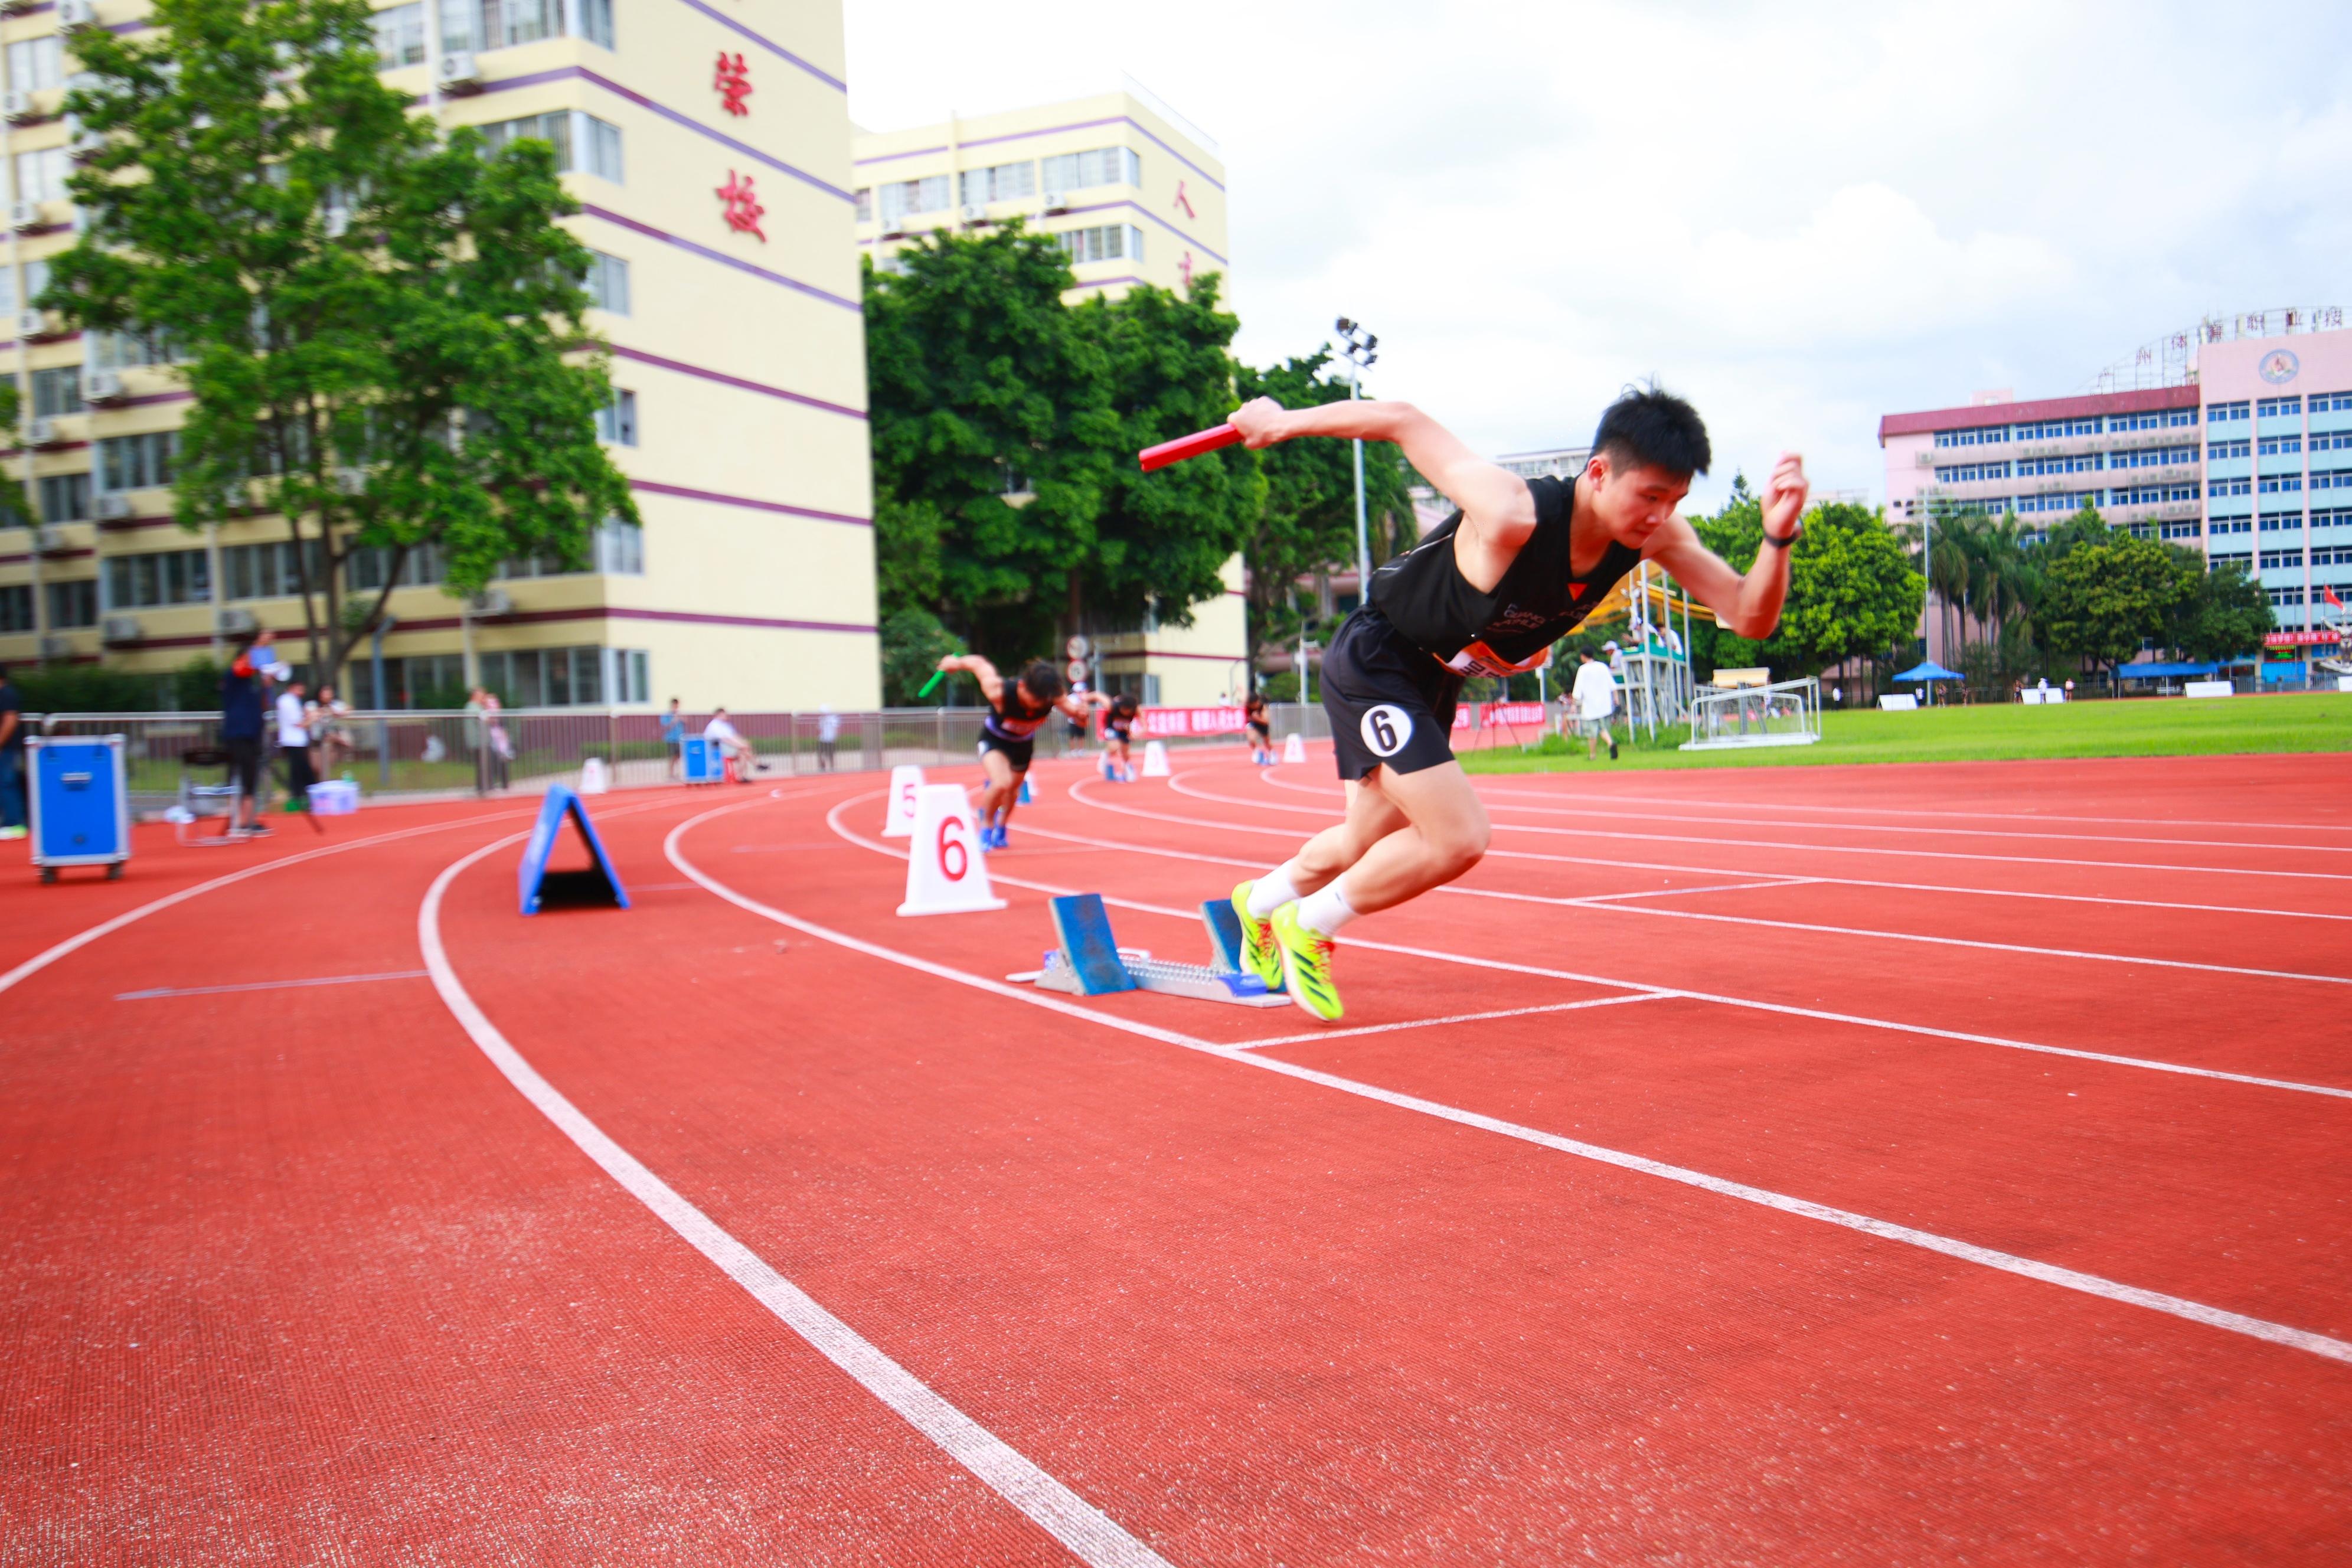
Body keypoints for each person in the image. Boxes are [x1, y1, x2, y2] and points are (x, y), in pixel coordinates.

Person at [1222, 385, 1808, 1021]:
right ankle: (1309, 923)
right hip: (1378, 658)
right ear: (1599, 471)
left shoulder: (1655, 538)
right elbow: (1401, 419)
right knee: (1459, 836)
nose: (1659, 516)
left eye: (1674, 501)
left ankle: (1255, 904)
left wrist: (1776, 539)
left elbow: (1750, 615)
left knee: (1363, 837)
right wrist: (1280, 423)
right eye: (1649, 496)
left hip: (1438, 677)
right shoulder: (1511, 511)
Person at [934, 654, 1108, 850]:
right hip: (995, 741)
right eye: (1035, 700)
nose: (1038, 705)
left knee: (1012, 791)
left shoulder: (1052, 696)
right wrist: (956, 663)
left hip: (1023, 745)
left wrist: (1082, 716)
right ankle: (986, 827)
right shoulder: (999, 691)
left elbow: (1079, 718)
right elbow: (980, 664)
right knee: (1001, 783)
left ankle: (1002, 825)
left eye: (1044, 702)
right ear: (1022, 686)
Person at [219, 632, 273, 836]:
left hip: (253, 733)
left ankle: (247, 821)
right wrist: (260, 645)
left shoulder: (254, 683)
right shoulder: (233, 676)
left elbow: (263, 705)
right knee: (236, 776)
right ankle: (236, 820)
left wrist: (266, 686)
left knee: (251, 777)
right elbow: (243, 666)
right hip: (237, 734)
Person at [1570, 646, 1618, 760]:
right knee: (1602, 729)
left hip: (1590, 706)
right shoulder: (1602, 667)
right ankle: (1610, 743)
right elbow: (1612, 685)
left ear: (1583, 656)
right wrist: (1616, 699)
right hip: (1604, 704)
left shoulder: (1583, 669)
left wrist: (1573, 705)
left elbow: (1577, 689)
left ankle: (1592, 755)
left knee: (1592, 733)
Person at [275, 675, 315, 811]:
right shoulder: (287, 701)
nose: (301, 693)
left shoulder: (293, 701)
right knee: (298, 771)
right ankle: (299, 796)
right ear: (292, 688)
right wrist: (311, 718)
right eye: (299, 689)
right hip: (293, 741)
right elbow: (298, 723)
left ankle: (302, 795)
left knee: (301, 770)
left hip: (297, 741)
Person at [0, 662, 25, 840]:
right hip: (6, 748)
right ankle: (11, 821)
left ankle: (14, 822)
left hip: (7, 749)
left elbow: (10, 721)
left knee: (7, 784)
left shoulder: (6, 694)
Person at [704, 707, 757, 782]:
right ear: (718, 715)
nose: (725, 716)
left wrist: (743, 743)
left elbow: (733, 736)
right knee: (743, 751)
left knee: (743, 753)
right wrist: (740, 745)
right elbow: (725, 739)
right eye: (723, 715)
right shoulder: (715, 725)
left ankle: (741, 776)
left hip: (726, 746)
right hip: (717, 748)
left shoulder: (725, 725)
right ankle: (756, 764)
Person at [1100, 692, 1141, 782]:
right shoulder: (1112, 706)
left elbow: (1145, 725)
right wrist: (1086, 697)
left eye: (1128, 711)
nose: (1126, 712)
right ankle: (1104, 757)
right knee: (1114, 746)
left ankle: (1127, 770)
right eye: (1124, 710)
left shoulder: (1137, 710)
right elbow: (1097, 695)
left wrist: (1136, 734)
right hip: (1111, 728)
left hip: (1124, 730)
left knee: (1126, 752)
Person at [1244, 691, 1272, 766]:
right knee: (1251, 738)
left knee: (1267, 742)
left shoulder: (1263, 707)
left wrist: (1257, 718)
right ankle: (1258, 753)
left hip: (1263, 725)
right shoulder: (1248, 706)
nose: (1252, 707)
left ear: (1257, 702)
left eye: (1253, 705)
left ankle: (1271, 753)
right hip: (1253, 724)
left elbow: (1266, 721)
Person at [661, 698, 687, 780]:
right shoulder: (667, 715)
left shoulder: (679, 714)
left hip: (679, 738)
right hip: (671, 739)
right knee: (672, 757)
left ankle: (678, 773)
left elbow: (686, 722)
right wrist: (674, 720)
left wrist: (681, 718)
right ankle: (670, 773)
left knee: (678, 756)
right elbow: (666, 726)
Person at [816, 703, 841, 772]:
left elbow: (836, 728)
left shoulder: (833, 719)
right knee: (821, 754)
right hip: (822, 739)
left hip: (831, 739)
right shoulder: (821, 719)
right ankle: (822, 767)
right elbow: (820, 729)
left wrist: (836, 737)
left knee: (831, 755)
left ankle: (832, 768)